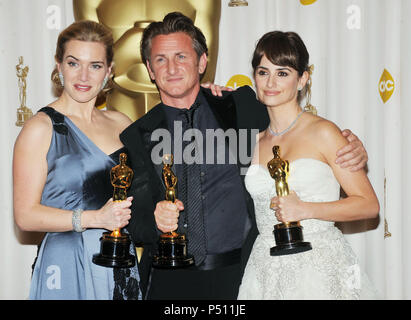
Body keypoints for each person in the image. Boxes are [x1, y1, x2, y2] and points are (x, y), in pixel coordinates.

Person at [120, 12, 369, 300]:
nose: (172, 68)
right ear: (150, 69)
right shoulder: (137, 135)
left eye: (181, 56)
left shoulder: (242, 106)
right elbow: (133, 221)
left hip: (240, 275)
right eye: (161, 59)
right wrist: (154, 220)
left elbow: (296, 128)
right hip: (169, 279)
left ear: (202, 63)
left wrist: (351, 147)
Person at [237, 31, 379, 299]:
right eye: (262, 71)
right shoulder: (254, 140)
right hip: (265, 268)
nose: (270, 82)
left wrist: (305, 209)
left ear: (302, 79)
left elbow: (368, 205)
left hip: (320, 268)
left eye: (282, 73)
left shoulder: (324, 132)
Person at [13, 20, 141, 300]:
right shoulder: (41, 128)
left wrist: (202, 95)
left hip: (119, 258)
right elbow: (25, 215)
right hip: (67, 261)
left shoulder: (121, 123)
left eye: (95, 65)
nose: (84, 76)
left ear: (108, 71)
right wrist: (95, 218)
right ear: (59, 66)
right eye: (74, 63)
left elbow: (146, 187)